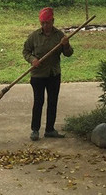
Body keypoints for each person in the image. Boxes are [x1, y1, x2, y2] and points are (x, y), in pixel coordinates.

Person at [22, 7, 73, 141]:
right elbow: (26, 51)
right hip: (38, 76)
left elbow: (68, 53)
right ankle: (35, 130)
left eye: (48, 23)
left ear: (53, 21)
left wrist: (66, 45)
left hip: (54, 74)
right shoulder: (34, 37)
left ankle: (50, 129)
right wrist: (33, 60)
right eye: (43, 23)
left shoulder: (59, 36)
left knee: (52, 102)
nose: (45, 26)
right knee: (38, 102)